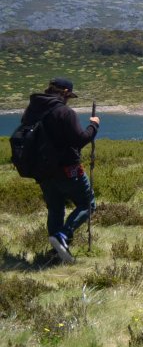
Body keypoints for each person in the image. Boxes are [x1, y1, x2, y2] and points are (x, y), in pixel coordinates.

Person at [19, 78, 100, 264]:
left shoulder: (32, 111)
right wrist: (94, 125)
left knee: (55, 208)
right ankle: (63, 236)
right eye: (69, 96)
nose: (68, 100)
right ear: (65, 92)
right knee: (88, 204)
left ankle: (56, 253)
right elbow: (80, 139)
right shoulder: (64, 112)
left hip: (42, 171)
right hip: (67, 169)